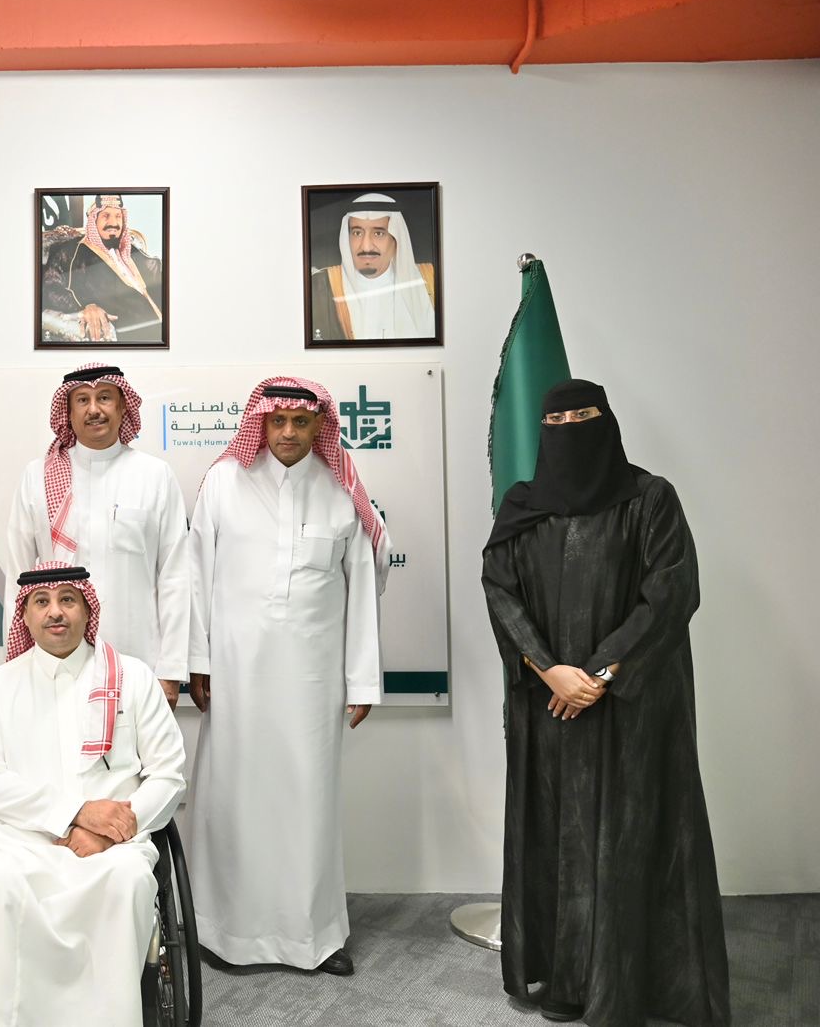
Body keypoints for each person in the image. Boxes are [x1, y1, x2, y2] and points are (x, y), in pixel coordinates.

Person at [482, 379, 729, 1027]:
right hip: (551, 707)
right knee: (559, 836)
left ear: (607, 420)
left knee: (630, 838)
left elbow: (672, 591)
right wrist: (548, 670)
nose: (570, 427)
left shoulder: (650, 499)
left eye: (583, 415)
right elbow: (500, 589)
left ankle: (631, 986)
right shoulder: (522, 507)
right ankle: (565, 981)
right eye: (557, 419)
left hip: (630, 707)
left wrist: (598, 672)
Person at [187, 376, 391, 977]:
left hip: (312, 681)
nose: (288, 432)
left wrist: (362, 682)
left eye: (301, 422)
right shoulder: (225, 482)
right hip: (236, 673)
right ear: (261, 422)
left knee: (309, 802)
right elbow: (195, 576)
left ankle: (314, 938)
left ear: (320, 425)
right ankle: (220, 932)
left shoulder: (341, 490)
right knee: (233, 798)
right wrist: (198, 661)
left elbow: (363, 590)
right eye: (277, 421)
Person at [0, 561, 186, 1027]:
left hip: (113, 849)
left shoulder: (133, 678)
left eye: (68, 599)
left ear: (87, 610)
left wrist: (110, 833)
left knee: (129, 882)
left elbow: (168, 775)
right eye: (42, 602)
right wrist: (76, 813)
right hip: (20, 842)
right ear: (25, 616)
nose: (55, 612)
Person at [6, 365, 191, 708]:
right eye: (82, 400)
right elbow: (18, 578)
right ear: (68, 411)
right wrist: (17, 666)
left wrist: (171, 671)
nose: (94, 409)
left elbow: (176, 576)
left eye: (104, 398)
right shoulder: (36, 477)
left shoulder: (155, 476)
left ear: (122, 407)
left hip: (138, 660)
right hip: (55, 663)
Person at [308, 192, 436, 342]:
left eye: (378, 233)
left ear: (396, 239)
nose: (366, 246)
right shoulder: (320, 286)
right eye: (357, 233)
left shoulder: (430, 280)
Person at [40, 194, 165, 343]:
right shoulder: (72, 250)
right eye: (106, 216)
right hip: (131, 331)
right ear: (94, 220)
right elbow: (50, 286)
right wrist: (85, 307)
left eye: (118, 216)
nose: (113, 223)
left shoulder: (131, 250)